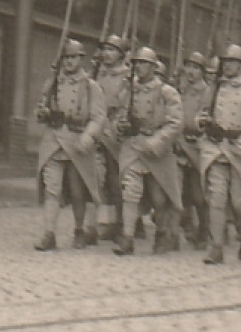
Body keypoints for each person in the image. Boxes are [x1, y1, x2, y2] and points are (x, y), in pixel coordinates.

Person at [196, 43, 241, 265]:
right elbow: (202, 112)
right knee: (216, 198)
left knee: (239, 202)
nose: (227, 66)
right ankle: (216, 247)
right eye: (225, 61)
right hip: (217, 148)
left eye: (232, 62)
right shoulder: (215, 87)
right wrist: (202, 122)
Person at [33, 38, 106, 251]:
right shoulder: (52, 83)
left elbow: (98, 117)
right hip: (54, 140)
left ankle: (79, 230)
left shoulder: (91, 87)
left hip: (77, 141)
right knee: (51, 189)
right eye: (66, 57)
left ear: (81, 60)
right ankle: (49, 234)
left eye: (74, 57)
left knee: (77, 190)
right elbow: (40, 108)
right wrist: (43, 112)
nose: (69, 62)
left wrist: (88, 136)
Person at [113, 47, 183, 255]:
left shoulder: (166, 92)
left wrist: (157, 141)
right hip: (133, 146)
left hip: (157, 151)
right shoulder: (128, 91)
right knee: (130, 192)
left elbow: (175, 122)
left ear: (154, 67)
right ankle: (127, 237)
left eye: (144, 63)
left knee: (159, 196)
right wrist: (121, 125)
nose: (139, 67)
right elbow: (118, 116)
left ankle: (162, 233)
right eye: (136, 63)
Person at [92, 34, 133, 245]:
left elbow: (127, 104)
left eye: (112, 50)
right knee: (101, 179)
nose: (107, 54)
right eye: (105, 49)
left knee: (118, 181)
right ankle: (106, 223)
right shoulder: (98, 73)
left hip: (116, 131)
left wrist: (116, 124)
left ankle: (123, 224)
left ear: (121, 54)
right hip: (98, 127)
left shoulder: (128, 76)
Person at [175, 51, 213, 251]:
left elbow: (205, 117)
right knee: (177, 190)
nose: (191, 71)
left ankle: (204, 230)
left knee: (198, 194)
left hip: (198, 145)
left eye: (196, 68)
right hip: (179, 143)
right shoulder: (179, 89)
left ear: (202, 72)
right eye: (188, 67)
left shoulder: (207, 92)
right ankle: (184, 225)